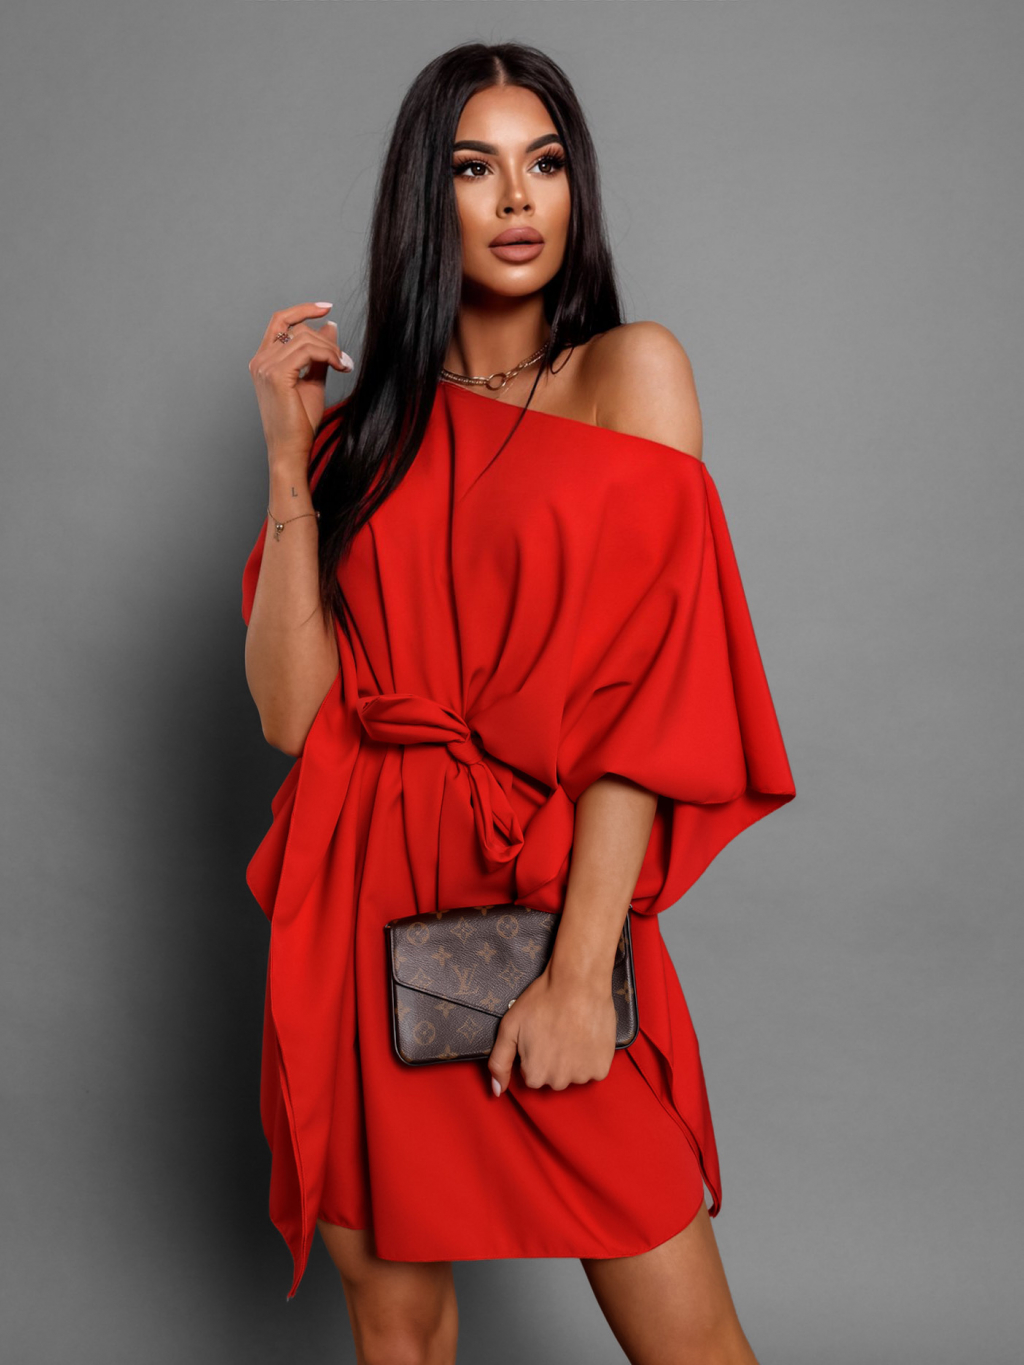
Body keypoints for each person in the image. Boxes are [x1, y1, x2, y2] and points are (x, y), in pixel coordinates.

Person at [242, 40, 795, 1365]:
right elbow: (292, 715)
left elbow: (647, 690)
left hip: (537, 894)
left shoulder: (628, 374)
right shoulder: (360, 436)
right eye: (473, 167)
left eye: (543, 164)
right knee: (399, 1324)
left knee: (692, 1339)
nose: (515, 198)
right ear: (424, 199)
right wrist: (289, 459)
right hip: (361, 892)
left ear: (573, 188)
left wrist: (576, 975)